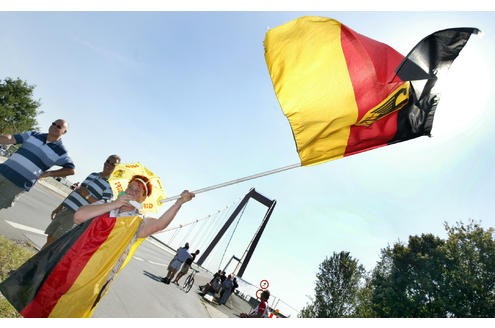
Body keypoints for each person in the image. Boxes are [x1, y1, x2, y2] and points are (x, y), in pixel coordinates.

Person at [0, 174, 194, 318]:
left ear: (143, 198)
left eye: (139, 189)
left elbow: (159, 224)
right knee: (43, 299)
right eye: (131, 186)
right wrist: (114, 205)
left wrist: (179, 203)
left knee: (69, 310)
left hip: (93, 275)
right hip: (68, 262)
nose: (133, 190)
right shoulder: (105, 205)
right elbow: (78, 216)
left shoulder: (138, 222)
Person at [42, 155, 121, 247]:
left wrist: (87, 195)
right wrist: (60, 206)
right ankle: (39, 259)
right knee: (50, 235)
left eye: (113, 164)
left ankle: (38, 261)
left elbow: (104, 206)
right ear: (104, 162)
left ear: (116, 168)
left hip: (76, 215)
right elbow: (76, 191)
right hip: (66, 209)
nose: (109, 164)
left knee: (56, 242)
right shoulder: (93, 175)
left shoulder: (111, 185)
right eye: (108, 161)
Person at [0, 119, 75, 210]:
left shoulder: (61, 152)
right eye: (53, 124)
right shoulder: (33, 135)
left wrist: (48, 174)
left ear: (64, 132)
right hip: (2, 171)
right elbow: (11, 138)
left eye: (58, 126)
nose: (54, 126)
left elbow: (71, 170)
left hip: (17, 184)